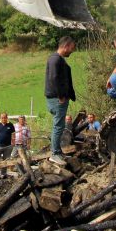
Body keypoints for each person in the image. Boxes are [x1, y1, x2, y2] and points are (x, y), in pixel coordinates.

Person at [45, 36, 77, 165]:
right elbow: (53, 78)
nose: (72, 51)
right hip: (57, 98)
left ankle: (57, 151)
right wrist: (60, 95)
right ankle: (55, 154)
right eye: (72, 48)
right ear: (66, 46)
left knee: (59, 125)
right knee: (58, 126)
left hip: (59, 98)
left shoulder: (58, 60)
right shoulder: (55, 59)